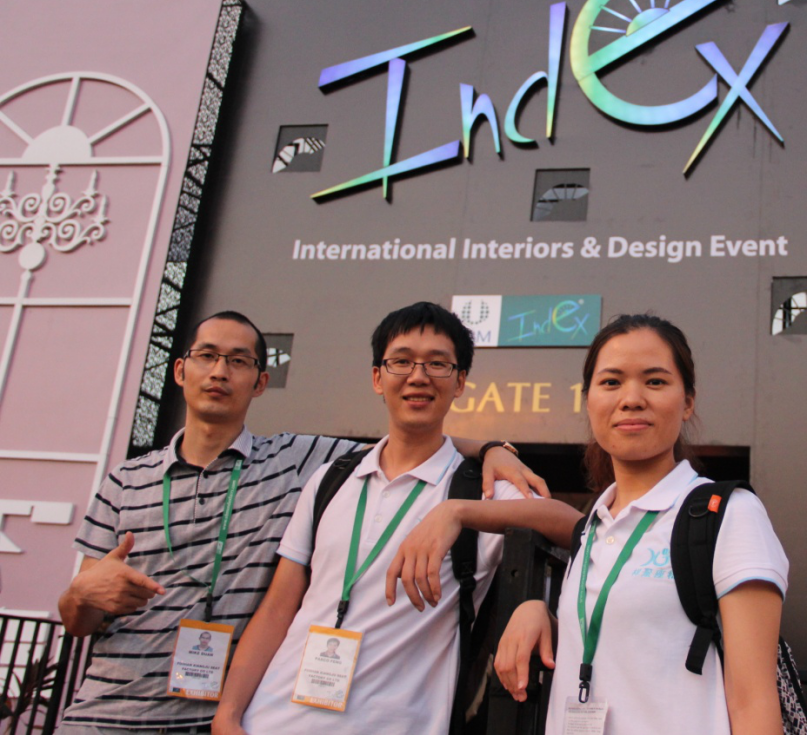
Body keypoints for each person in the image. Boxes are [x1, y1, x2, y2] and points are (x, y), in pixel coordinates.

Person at [56, 310, 544, 734]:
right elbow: (78, 621)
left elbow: (414, 441)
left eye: (239, 361)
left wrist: (491, 452)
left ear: (261, 381)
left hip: (227, 717)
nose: (220, 372)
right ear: (180, 370)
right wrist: (79, 596)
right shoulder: (124, 480)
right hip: (114, 714)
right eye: (207, 356)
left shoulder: (299, 460)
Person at [211, 302, 579, 735]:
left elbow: (575, 526)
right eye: (401, 361)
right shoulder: (331, 479)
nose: (418, 376)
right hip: (271, 720)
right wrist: (228, 713)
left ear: (460, 382)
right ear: (377, 377)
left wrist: (457, 512)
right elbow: (278, 609)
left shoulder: (479, 490)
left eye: (438, 364)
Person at [494, 314, 789, 735]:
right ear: (589, 400)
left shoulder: (729, 515)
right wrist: (538, 613)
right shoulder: (593, 528)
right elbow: (619, 645)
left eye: (654, 381)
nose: (631, 399)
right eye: (611, 382)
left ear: (688, 402)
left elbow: (752, 702)